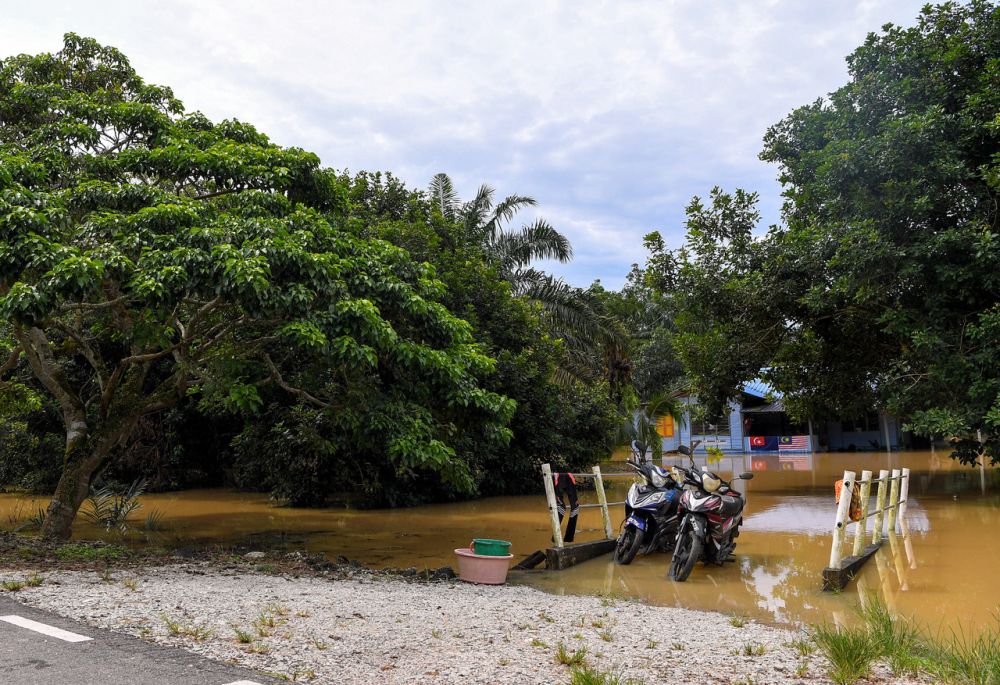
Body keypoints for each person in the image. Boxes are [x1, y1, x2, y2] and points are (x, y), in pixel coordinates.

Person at [552, 471, 579, 542]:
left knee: (575, 507)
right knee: (561, 507)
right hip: (561, 479)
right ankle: (556, 537)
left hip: (569, 478)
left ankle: (569, 537)